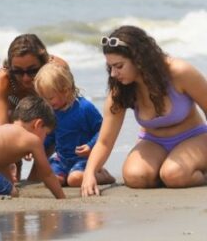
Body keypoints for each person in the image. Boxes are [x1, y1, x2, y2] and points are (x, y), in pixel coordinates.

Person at [81, 25, 207, 197]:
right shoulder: (121, 89)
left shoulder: (179, 72)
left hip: (194, 137)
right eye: (110, 67)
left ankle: (187, 173)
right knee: (135, 177)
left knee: (175, 175)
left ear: (139, 59)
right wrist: (89, 174)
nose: (113, 74)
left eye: (119, 66)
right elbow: (104, 141)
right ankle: (167, 171)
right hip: (153, 141)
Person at [0, 34, 67, 179]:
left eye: (32, 70)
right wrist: (8, 158)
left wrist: (36, 142)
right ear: (9, 67)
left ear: (44, 63)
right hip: (16, 121)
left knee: (35, 179)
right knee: (11, 175)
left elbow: (65, 115)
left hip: (50, 123)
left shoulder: (57, 70)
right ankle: (16, 165)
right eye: (18, 71)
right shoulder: (3, 80)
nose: (25, 78)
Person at [33, 63, 115, 187]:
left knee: (75, 180)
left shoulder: (85, 108)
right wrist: (34, 147)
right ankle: (66, 175)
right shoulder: (52, 112)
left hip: (84, 159)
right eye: (43, 99)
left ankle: (102, 175)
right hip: (62, 159)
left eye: (50, 98)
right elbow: (49, 136)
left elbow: (103, 130)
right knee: (51, 179)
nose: (47, 103)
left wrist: (90, 145)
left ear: (66, 91)